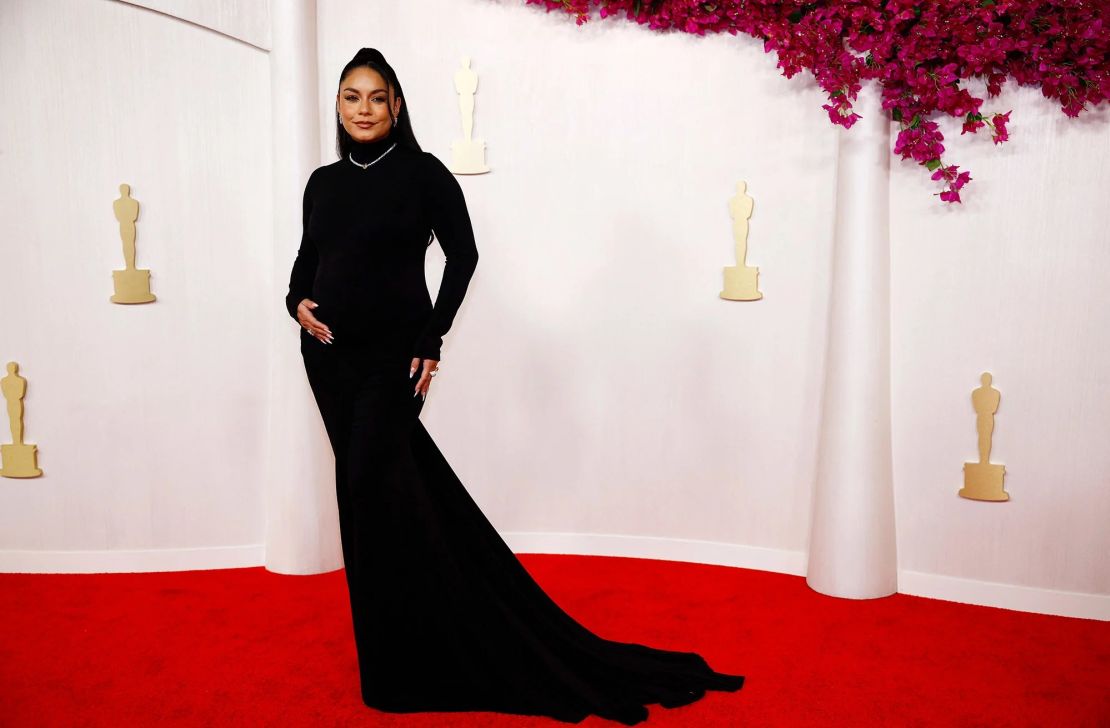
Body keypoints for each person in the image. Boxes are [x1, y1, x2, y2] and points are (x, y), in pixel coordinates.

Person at [285, 47, 744, 726]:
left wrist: (430, 337)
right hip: (326, 357)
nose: (362, 108)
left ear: (397, 105)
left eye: (376, 97)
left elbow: (463, 256)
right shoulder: (321, 181)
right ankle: (392, 663)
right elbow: (308, 257)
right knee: (371, 505)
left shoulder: (425, 174)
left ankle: (432, 654)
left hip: (391, 360)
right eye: (351, 96)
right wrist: (295, 300)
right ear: (338, 105)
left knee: (367, 489)